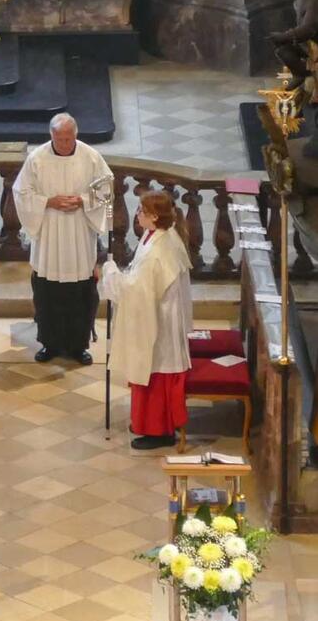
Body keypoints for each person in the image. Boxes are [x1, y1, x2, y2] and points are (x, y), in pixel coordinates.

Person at [13, 113, 112, 365]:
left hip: (79, 233)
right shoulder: (37, 159)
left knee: (80, 293)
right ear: (51, 135)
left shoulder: (91, 157)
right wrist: (48, 201)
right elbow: (21, 192)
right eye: (60, 139)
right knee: (49, 293)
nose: (65, 144)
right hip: (49, 235)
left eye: (69, 139)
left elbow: (106, 189)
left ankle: (79, 345)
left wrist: (83, 201)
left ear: (76, 135)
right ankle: (50, 343)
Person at [98, 191, 192, 450]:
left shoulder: (159, 251)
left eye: (141, 210)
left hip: (159, 323)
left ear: (153, 216)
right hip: (161, 316)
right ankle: (149, 425)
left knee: (155, 370)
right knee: (151, 369)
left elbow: (136, 291)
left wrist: (109, 273)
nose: (137, 214)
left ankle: (158, 430)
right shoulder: (159, 236)